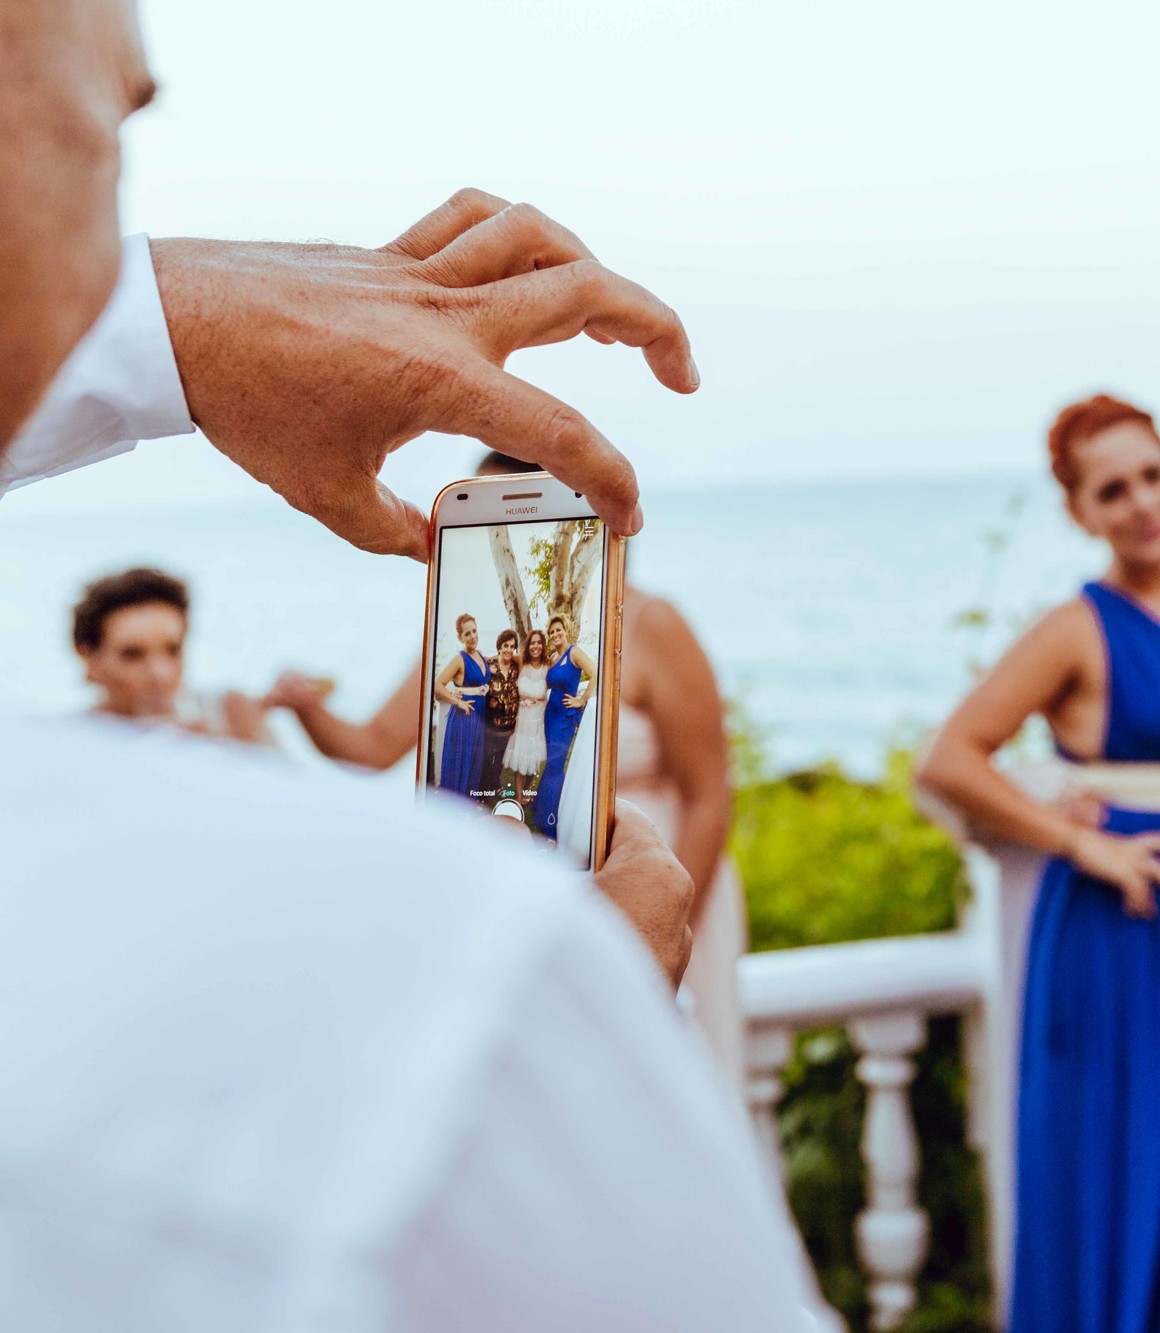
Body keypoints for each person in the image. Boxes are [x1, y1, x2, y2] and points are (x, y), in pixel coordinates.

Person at [0, 1, 820, 1325]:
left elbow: (704, 784)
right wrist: (575, 1002)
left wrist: (158, 329)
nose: (139, 84)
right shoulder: (455, 987)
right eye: (110, 132)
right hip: (593, 941)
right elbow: (390, 749)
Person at [919, 393, 1160, 1333]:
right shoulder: (1076, 627)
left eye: (1152, 476)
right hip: (1128, 935)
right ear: (1081, 512)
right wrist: (1081, 839)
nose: (1142, 503)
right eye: (1112, 490)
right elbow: (950, 758)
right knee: (1123, 1174)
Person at [265, 454, 744, 1075]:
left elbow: (709, 795)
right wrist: (306, 709)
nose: (512, 544)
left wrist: (669, 925)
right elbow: (374, 746)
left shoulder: (654, 624)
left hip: (658, 880)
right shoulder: (474, 640)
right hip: (530, 876)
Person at [72, 564, 273, 745]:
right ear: (90, 660)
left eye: (173, 650)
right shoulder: (71, 743)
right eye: (132, 655)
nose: (160, 673)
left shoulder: (229, 714)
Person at [535, 613, 596, 840]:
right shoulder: (553, 656)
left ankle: (551, 821)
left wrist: (582, 700)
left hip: (565, 718)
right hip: (551, 714)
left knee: (555, 765)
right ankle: (541, 810)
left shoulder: (574, 652)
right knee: (549, 761)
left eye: (558, 630)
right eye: (551, 632)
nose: (555, 634)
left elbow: (597, 672)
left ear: (566, 630)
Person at [434, 613, 491, 798]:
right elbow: (436, 685)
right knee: (461, 761)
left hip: (479, 715)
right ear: (460, 637)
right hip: (464, 717)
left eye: (474, 631)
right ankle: (453, 808)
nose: (473, 636)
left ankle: (467, 804)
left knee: (474, 760)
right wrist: (457, 701)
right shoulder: (459, 659)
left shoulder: (480, 655)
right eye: (467, 634)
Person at [505, 627, 552, 798]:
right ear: (528, 645)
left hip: (538, 720)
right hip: (522, 721)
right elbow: (504, 656)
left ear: (543, 645)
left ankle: (527, 790)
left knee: (534, 758)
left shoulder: (548, 665)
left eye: (539, 642)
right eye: (532, 643)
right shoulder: (521, 662)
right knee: (521, 758)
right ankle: (519, 796)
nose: (535, 646)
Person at [483, 628, 522, 803]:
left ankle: (495, 785)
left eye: (512, 646)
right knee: (486, 758)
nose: (508, 650)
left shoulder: (516, 667)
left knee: (499, 760)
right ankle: (483, 790)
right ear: (499, 646)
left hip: (508, 727)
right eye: (505, 645)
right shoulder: (489, 664)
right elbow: (473, 677)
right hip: (489, 725)